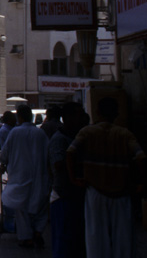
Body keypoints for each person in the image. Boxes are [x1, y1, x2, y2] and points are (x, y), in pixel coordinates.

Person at [66, 97, 145, 258]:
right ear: (116, 113)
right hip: (121, 192)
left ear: (97, 112)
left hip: (95, 191)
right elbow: (141, 157)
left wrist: (73, 178)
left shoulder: (87, 132)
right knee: (123, 237)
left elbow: (70, 152)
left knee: (96, 235)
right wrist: (141, 182)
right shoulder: (124, 133)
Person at [0, 104, 50, 249]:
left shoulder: (15, 133)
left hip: (19, 176)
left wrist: (3, 165)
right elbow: (48, 154)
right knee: (40, 206)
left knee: (21, 209)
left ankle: (26, 237)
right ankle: (38, 231)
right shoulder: (40, 134)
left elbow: (4, 153)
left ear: (19, 117)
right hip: (39, 176)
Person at [49, 101, 88, 258]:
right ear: (67, 118)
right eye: (78, 114)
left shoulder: (79, 136)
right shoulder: (60, 139)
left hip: (77, 195)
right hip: (64, 196)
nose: (82, 118)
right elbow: (58, 164)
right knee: (64, 241)